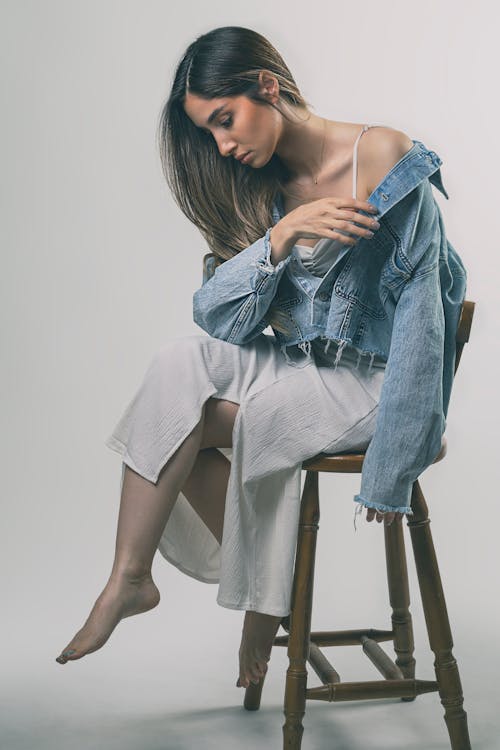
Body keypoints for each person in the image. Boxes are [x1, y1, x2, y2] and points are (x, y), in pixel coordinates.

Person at [55, 25, 461, 690]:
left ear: (265, 86)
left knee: (227, 419)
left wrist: (392, 469)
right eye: (209, 132)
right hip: (303, 365)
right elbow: (215, 316)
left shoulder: (381, 154)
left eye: (225, 120)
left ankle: (265, 599)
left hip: (376, 386)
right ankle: (131, 577)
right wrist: (278, 236)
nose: (223, 145)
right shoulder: (261, 189)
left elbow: (424, 325)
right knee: (174, 371)